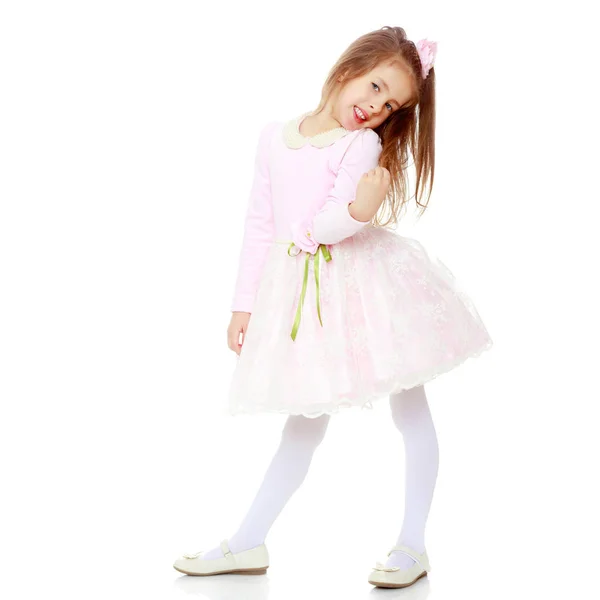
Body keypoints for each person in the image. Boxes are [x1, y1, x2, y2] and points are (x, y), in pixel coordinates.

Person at [173, 26, 493, 589]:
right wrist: (242, 305)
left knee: (408, 408)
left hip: (368, 291)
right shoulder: (274, 137)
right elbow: (259, 224)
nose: (373, 108)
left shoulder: (361, 145)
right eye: (373, 87)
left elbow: (330, 227)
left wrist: (362, 210)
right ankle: (248, 541)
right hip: (309, 299)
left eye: (389, 104)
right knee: (305, 420)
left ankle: (412, 544)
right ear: (349, 67)